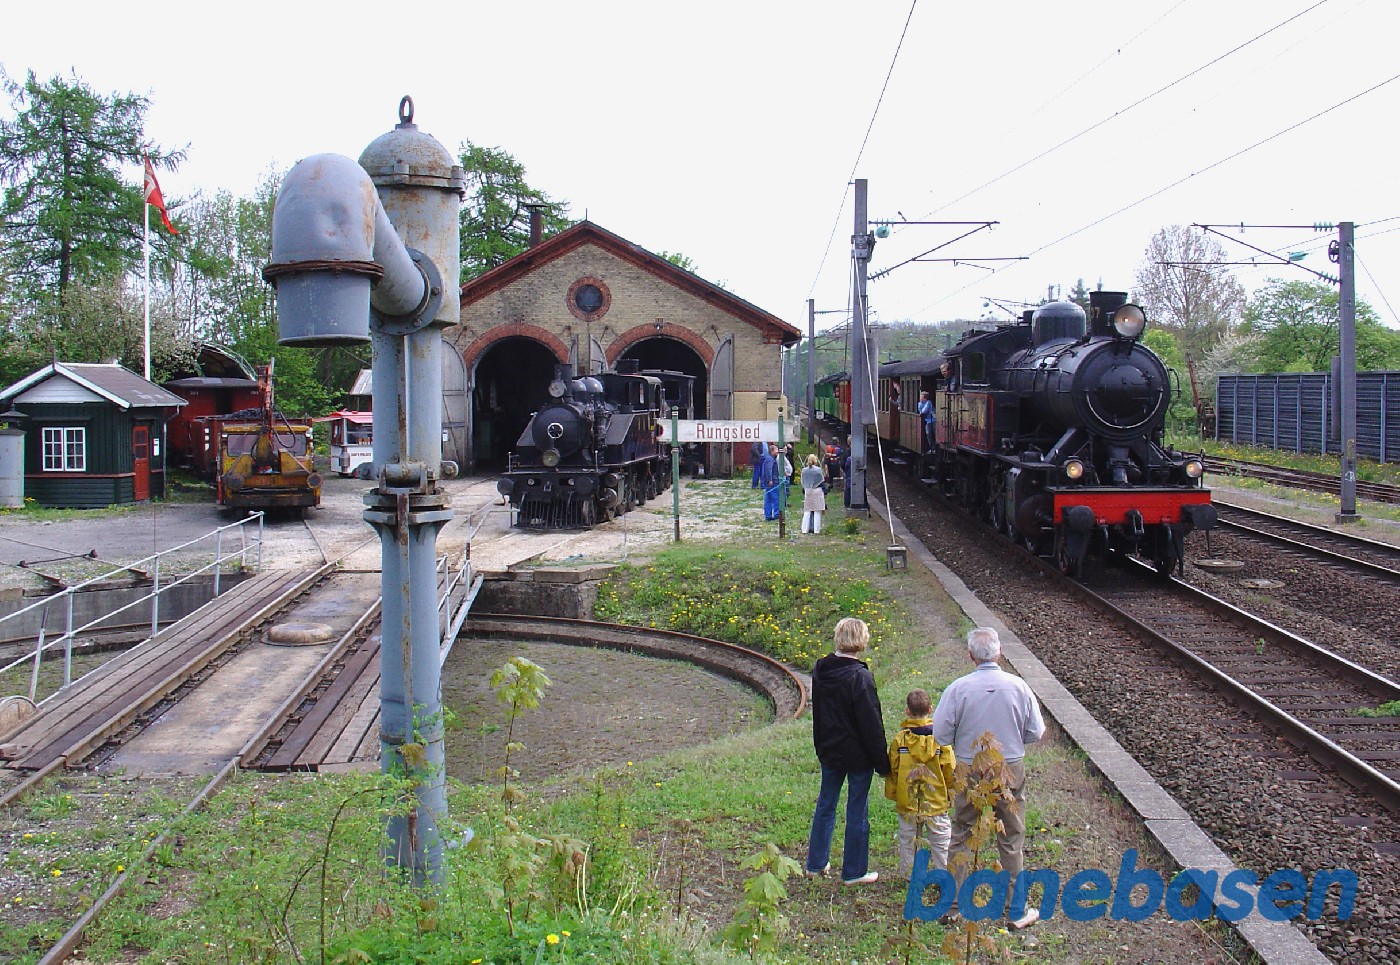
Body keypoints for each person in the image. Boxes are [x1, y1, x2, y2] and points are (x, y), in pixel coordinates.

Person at [932, 628, 1046, 927]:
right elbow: (1035, 732)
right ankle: (1014, 910)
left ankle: (953, 905)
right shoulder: (1019, 686)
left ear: (970, 655)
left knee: (962, 832)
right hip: (1009, 765)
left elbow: (941, 734)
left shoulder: (958, 689)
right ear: (1000, 651)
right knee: (1011, 835)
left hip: (969, 767)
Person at [805, 617, 889, 885]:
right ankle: (854, 871)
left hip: (829, 749)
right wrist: (882, 762)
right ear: (861, 640)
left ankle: (816, 863)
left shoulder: (821, 669)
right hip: (857, 755)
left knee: (826, 804)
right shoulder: (860, 677)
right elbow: (871, 724)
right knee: (856, 809)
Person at [884, 689, 955, 877]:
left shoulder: (901, 740)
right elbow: (950, 768)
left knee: (909, 839)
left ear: (907, 711)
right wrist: (951, 794)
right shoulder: (941, 739)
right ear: (931, 709)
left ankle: (910, 875)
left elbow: (893, 769)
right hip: (937, 801)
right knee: (941, 842)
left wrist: (894, 794)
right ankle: (944, 876)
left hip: (908, 801)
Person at [800, 454, 827, 534]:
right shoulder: (818, 470)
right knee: (817, 511)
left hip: (808, 491)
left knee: (807, 510)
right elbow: (821, 481)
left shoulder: (804, 470)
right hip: (817, 491)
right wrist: (825, 491)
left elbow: (803, 481)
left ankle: (804, 529)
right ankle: (816, 530)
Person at [758, 444, 780, 520]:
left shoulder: (769, 458)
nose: (778, 451)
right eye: (776, 450)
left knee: (768, 499)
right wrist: (769, 480)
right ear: (772, 451)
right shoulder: (770, 459)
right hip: (773, 482)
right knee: (775, 498)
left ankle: (768, 515)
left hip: (770, 481)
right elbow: (768, 469)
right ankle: (776, 514)